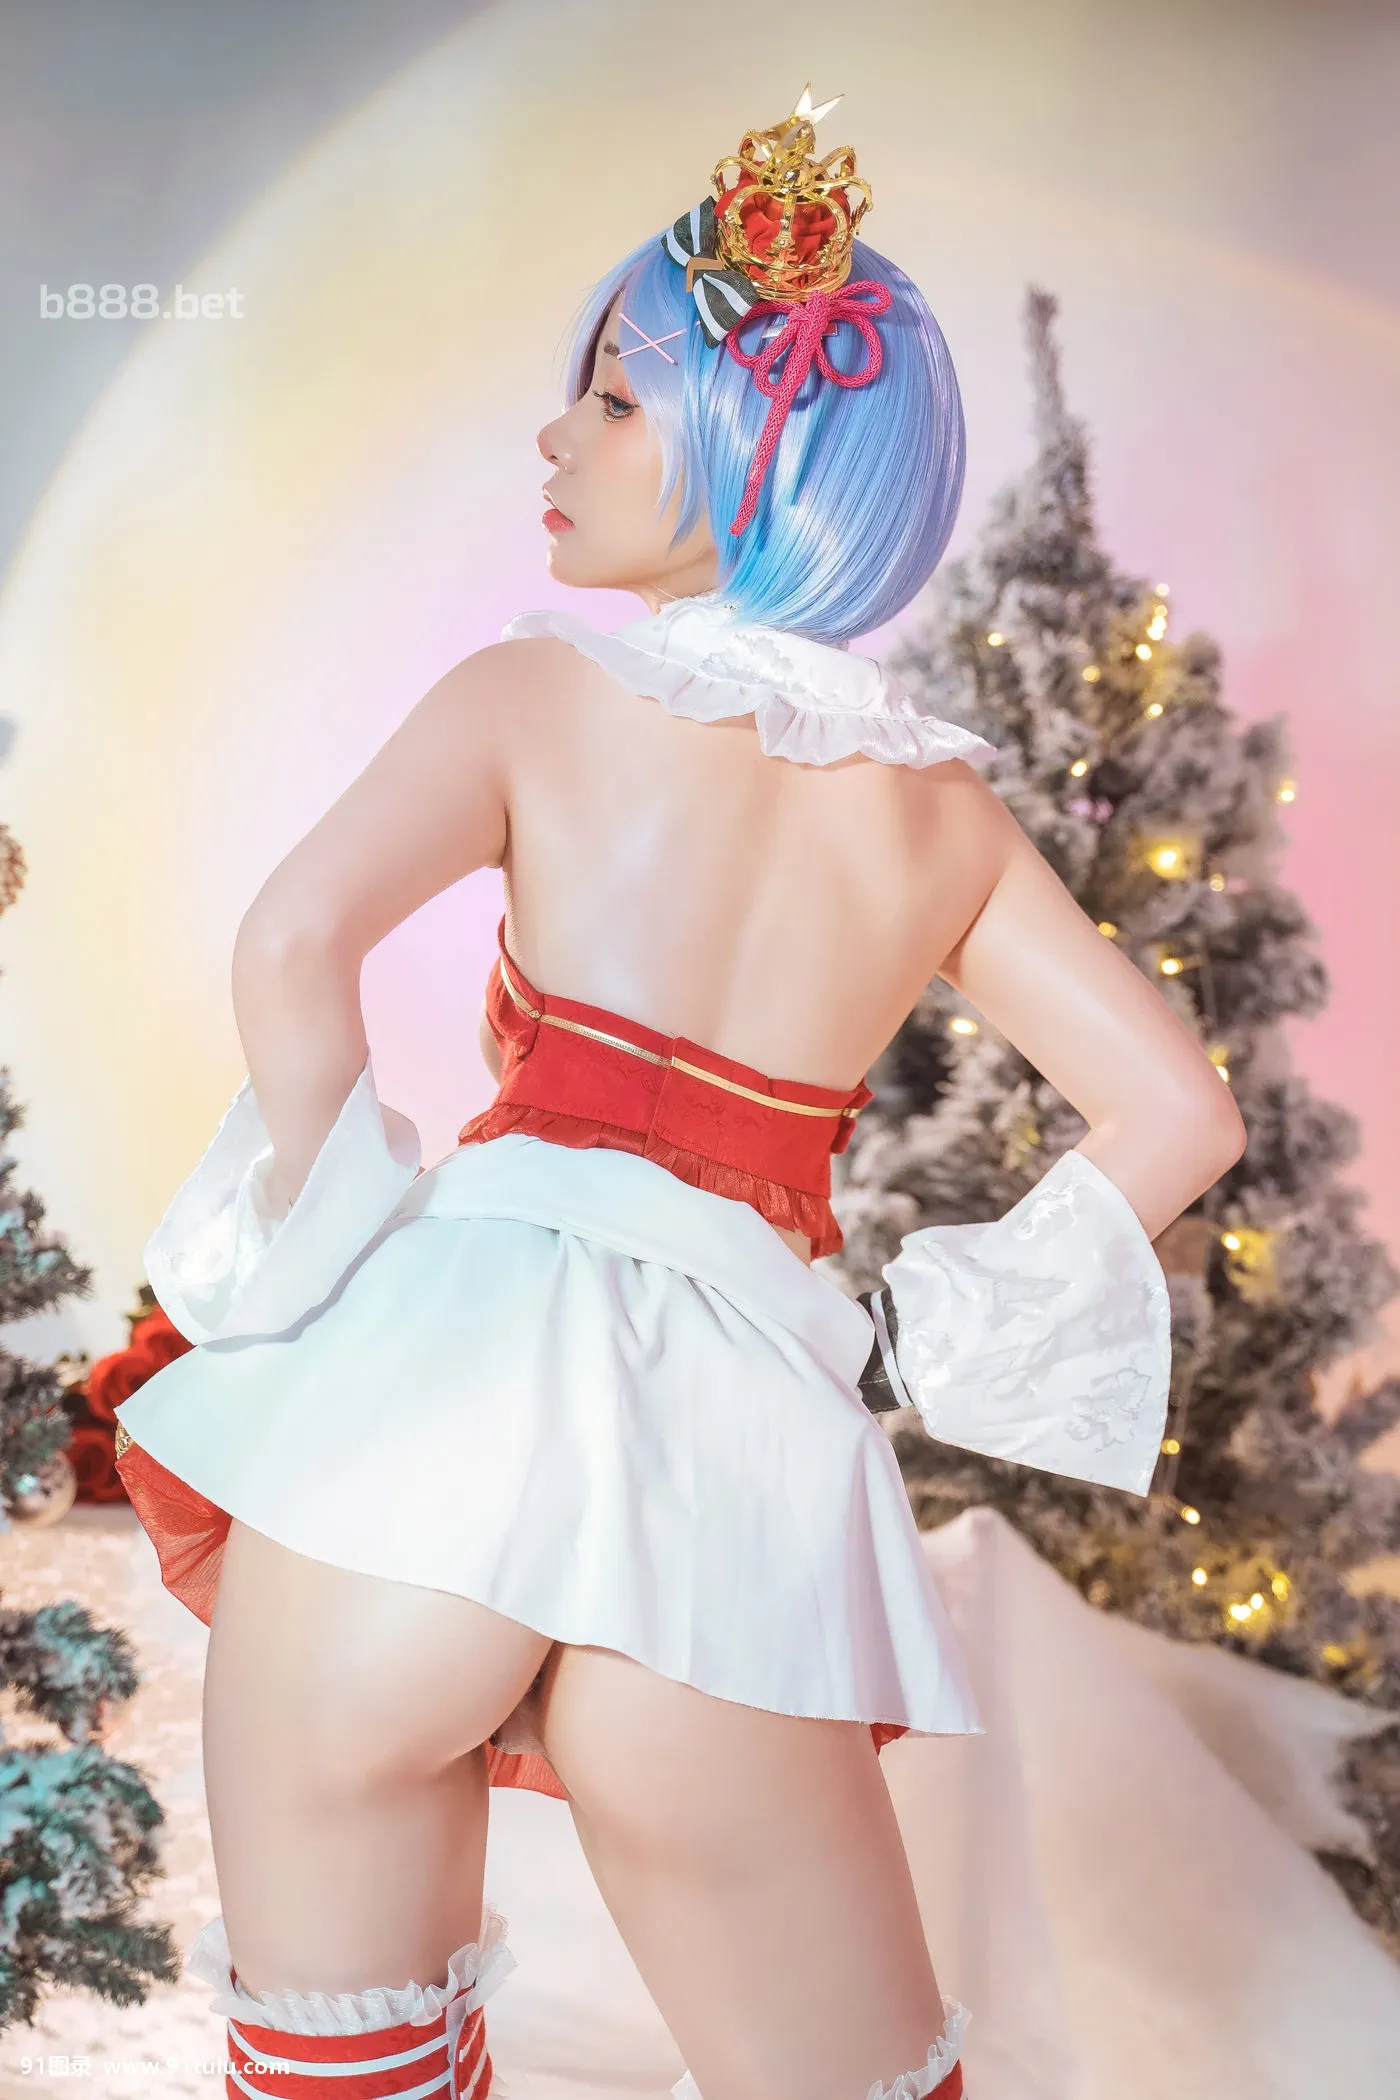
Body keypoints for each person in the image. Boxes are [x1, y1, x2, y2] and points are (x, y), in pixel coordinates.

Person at [112, 84, 1245, 2100]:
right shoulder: (942, 818)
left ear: (760, 444)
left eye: (619, 399)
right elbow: (1182, 1114)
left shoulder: (529, 693)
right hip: (731, 1485)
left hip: (419, 1422)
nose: (557, 437)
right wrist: (919, 1333)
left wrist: (328, 1237)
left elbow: (291, 946)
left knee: (339, 2067)